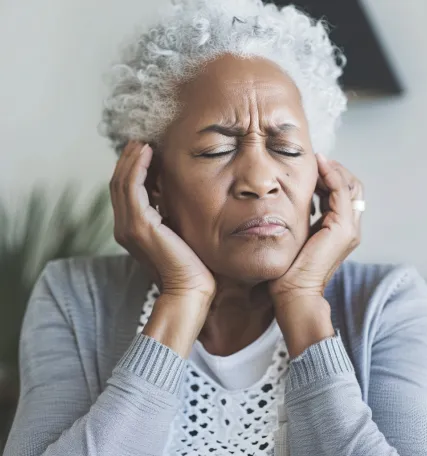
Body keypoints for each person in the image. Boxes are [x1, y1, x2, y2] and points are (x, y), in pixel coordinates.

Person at [4, 0, 427, 455]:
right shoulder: (74, 298)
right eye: (215, 150)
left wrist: (304, 302)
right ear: (152, 181)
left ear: (322, 176)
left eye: (286, 148)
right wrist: (182, 296)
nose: (260, 180)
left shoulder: (385, 303)